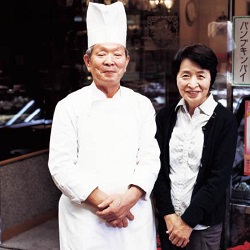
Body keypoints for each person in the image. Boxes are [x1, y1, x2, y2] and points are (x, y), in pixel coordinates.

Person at [48, 2, 160, 250]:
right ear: (88, 61)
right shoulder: (69, 106)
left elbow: (151, 158)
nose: (110, 61)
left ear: (127, 61)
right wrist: (107, 206)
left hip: (133, 217)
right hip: (86, 220)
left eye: (117, 54)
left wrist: (127, 201)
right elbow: (60, 165)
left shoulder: (142, 105)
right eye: (101, 54)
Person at [153, 44, 238, 250]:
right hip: (169, 225)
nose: (193, 84)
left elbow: (218, 179)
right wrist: (169, 215)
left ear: (211, 78)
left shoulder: (225, 121)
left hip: (203, 227)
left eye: (201, 76)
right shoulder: (165, 117)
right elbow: (157, 169)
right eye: (186, 75)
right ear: (176, 77)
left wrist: (187, 222)